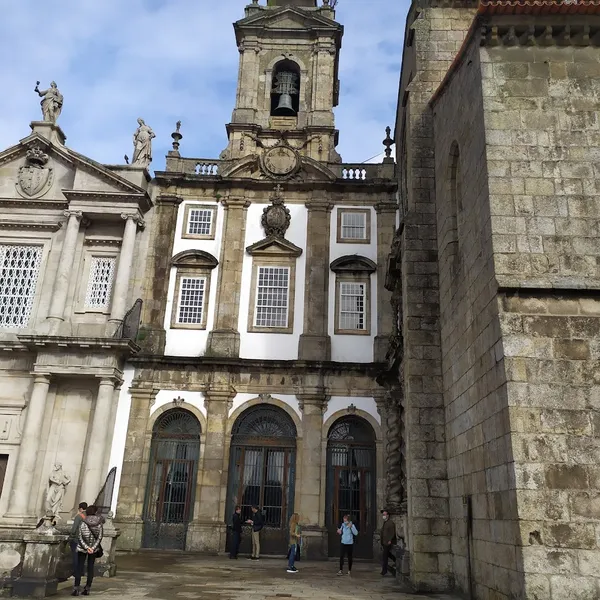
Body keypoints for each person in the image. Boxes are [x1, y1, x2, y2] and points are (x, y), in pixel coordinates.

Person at [72, 505, 103, 596]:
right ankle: (87, 588)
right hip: (94, 548)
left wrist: (86, 547)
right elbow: (100, 537)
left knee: (79, 567)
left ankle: (76, 588)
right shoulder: (99, 523)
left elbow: (80, 537)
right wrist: (92, 548)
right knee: (90, 568)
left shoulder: (83, 522)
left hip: (82, 548)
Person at [69, 503, 88, 579]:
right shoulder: (88, 517)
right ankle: (81, 571)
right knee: (82, 557)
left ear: (80, 509)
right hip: (85, 540)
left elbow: (74, 529)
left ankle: (76, 572)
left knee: (75, 557)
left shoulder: (79, 517)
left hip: (77, 539)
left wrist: (70, 537)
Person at [380, 509, 397, 576]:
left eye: (384, 514)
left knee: (385, 556)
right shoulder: (385, 523)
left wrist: (390, 540)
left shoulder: (390, 523)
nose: (383, 516)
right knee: (386, 554)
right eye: (383, 514)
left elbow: (392, 533)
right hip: (384, 542)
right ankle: (395, 559)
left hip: (388, 542)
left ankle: (384, 571)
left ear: (388, 515)